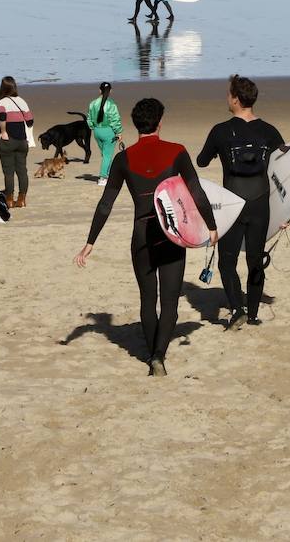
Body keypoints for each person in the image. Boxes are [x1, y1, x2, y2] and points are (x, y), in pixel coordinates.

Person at [73, 98, 218, 376]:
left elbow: (106, 203)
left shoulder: (122, 159)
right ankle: (159, 356)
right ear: (160, 122)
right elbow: (196, 192)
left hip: (142, 234)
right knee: (170, 302)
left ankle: (152, 353)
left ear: (135, 124)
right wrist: (211, 227)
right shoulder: (177, 151)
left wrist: (90, 242)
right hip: (171, 234)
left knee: (147, 299)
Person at [197, 75, 284, 329]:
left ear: (235, 99)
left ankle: (237, 309)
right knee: (255, 260)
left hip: (232, 205)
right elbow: (285, 171)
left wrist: (217, 151)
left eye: (228, 94)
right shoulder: (270, 131)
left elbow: (201, 161)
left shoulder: (220, 131)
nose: (227, 98)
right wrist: (286, 211)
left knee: (227, 260)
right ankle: (254, 314)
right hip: (260, 204)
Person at [0, 76, 34, 207]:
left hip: (8, 141)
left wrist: (4, 131)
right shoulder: (22, 101)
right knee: (22, 171)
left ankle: (10, 200)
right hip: (22, 141)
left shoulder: (2, 102)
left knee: (8, 172)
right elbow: (30, 121)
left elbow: (2, 116)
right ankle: (22, 199)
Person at [87, 82, 123, 186]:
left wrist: (93, 127)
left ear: (99, 90)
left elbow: (89, 118)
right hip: (108, 131)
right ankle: (103, 177)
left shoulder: (92, 103)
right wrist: (119, 132)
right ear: (110, 91)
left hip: (97, 131)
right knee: (107, 155)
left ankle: (112, 175)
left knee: (106, 154)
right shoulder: (111, 104)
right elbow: (115, 119)